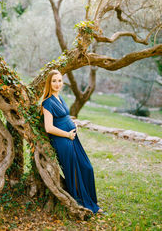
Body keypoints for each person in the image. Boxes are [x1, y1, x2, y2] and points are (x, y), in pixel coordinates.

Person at [41, 69, 105, 215]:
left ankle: (92, 202)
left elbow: (64, 117)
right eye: (54, 81)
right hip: (63, 141)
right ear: (49, 83)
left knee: (87, 168)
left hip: (72, 137)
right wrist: (67, 134)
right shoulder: (47, 103)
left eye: (59, 81)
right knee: (74, 172)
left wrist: (72, 124)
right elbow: (49, 127)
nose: (57, 84)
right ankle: (82, 204)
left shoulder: (60, 98)